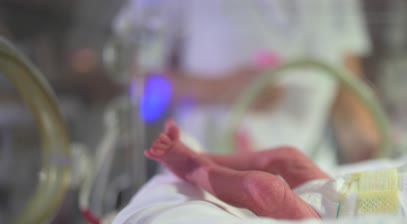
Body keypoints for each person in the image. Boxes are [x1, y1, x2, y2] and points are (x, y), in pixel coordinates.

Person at [113, 0, 379, 169]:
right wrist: (220, 90)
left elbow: (347, 87)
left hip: (312, 179)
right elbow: (135, 82)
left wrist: (373, 149)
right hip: (208, 185)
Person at [144, 120, 407, 220]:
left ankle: (192, 167)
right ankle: (203, 156)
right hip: (358, 190)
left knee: (268, 191)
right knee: (288, 158)